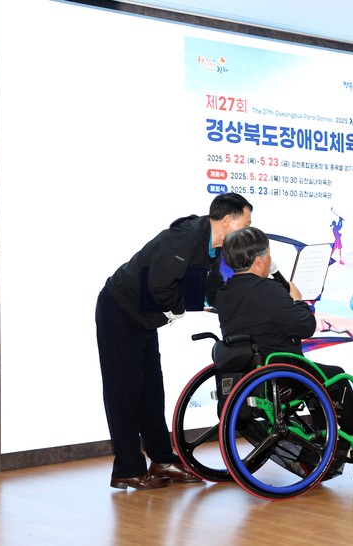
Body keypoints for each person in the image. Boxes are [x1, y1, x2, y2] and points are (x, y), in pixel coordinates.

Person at [95, 192, 253, 489]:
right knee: (124, 392)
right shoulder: (184, 239)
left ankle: (162, 459)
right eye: (246, 223)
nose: (247, 230)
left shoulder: (213, 248)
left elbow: (214, 288)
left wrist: (241, 306)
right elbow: (160, 286)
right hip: (120, 311)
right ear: (228, 220)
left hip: (144, 319)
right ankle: (128, 469)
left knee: (152, 392)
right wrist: (181, 307)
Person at [214, 226, 353, 437]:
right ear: (259, 261)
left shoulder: (223, 295)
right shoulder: (270, 290)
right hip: (280, 377)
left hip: (247, 377)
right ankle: (351, 437)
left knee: (315, 374)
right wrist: (298, 300)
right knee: (338, 377)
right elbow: (306, 327)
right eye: (268, 254)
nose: (270, 259)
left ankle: (322, 435)